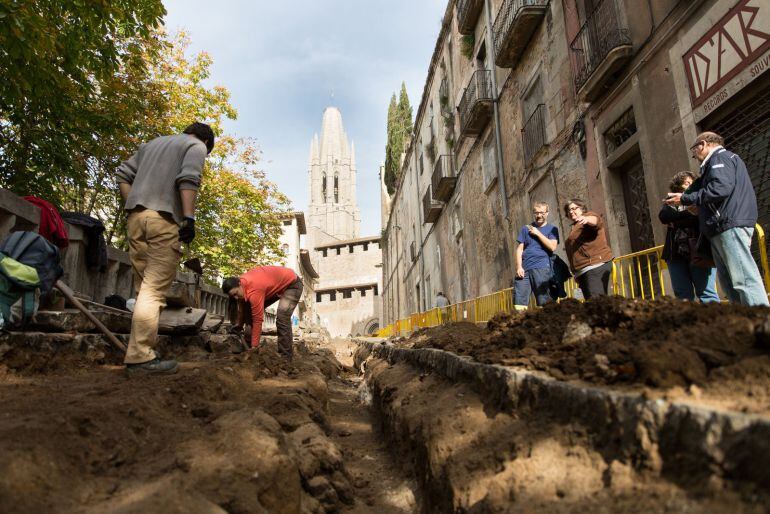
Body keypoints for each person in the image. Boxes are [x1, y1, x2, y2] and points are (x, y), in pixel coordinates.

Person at [116, 122, 215, 375]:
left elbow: (123, 175)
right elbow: (188, 179)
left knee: (143, 289)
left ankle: (140, 350)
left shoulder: (152, 144)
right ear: (206, 142)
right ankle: (140, 357)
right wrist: (189, 219)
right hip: (163, 221)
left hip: (136, 220)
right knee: (153, 291)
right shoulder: (196, 146)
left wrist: (133, 206)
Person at [665, 132, 769, 306]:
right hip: (721, 228)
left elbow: (720, 189)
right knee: (729, 283)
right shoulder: (716, 162)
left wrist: (685, 199)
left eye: (694, 150)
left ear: (703, 144)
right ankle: (744, 319)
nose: (694, 155)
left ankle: (761, 318)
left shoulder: (720, 158)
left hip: (728, 225)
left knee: (743, 279)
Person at [659, 171, 719, 303]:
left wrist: (676, 222)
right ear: (678, 185)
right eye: (686, 182)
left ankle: (714, 316)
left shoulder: (700, 197)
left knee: (706, 293)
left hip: (700, 251)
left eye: (691, 182)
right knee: (682, 295)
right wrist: (690, 213)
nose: (689, 184)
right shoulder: (671, 200)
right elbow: (664, 216)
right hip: (675, 254)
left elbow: (699, 218)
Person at [222, 266, 304, 359]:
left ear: (240, 284)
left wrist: (255, 347)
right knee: (249, 310)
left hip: (292, 284)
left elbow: (257, 320)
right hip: (274, 285)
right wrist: (239, 325)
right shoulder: (241, 288)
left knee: (282, 316)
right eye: (233, 296)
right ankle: (247, 346)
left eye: (236, 294)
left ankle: (285, 356)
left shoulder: (254, 290)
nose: (236, 298)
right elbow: (242, 310)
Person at [563, 199, 613, 298]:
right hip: (584, 270)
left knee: (597, 302)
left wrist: (587, 219)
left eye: (574, 208)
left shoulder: (588, 216)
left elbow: (596, 221)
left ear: (582, 208)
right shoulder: (575, 226)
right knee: (592, 303)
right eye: (569, 210)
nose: (571, 211)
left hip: (594, 265)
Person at [514, 202, 559, 309]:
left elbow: (552, 247)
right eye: (536, 213)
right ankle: (519, 318)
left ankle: (546, 319)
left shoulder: (552, 229)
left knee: (544, 301)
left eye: (542, 213)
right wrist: (519, 267)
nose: (539, 215)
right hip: (524, 270)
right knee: (519, 301)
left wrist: (538, 233)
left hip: (542, 268)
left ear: (547, 213)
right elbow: (520, 249)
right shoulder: (526, 229)